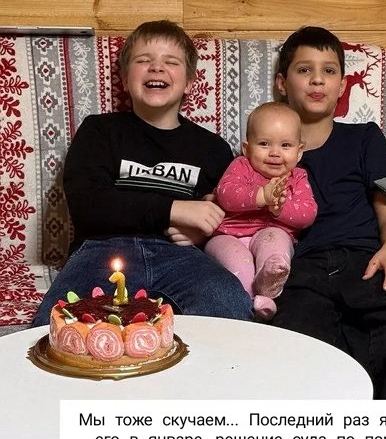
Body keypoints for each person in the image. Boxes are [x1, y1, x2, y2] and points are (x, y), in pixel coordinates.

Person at [32, 20, 253, 326]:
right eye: (143, 60)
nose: (157, 68)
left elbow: (230, 213)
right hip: (102, 249)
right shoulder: (100, 130)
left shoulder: (212, 147)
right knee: (57, 327)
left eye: (171, 62)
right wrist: (174, 210)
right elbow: (87, 205)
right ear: (125, 79)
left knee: (229, 303)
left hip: (181, 256)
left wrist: (204, 231)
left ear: (190, 82)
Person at [272, 26, 386, 404]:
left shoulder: (363, 138)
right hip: (302, 270)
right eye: (304, 70)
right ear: (282, 84)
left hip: (367, 262)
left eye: (329, 71)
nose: (317, 79)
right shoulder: (269, 149)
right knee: (300, 357)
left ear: (342, 85)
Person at [204, 102, 317, 320]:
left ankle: (267, 291)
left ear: (299, 151)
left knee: (276, 242)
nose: (275, 153)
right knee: (238, 261)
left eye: (286, 145)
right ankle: (249, 301)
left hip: (269, 232)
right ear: (247, 149)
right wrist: (261, 197)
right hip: (227, 235)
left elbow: (308, 214)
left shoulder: (297, 177)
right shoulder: (241, 166)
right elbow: (226, 194)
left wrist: (279, 209)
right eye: (264, 144)